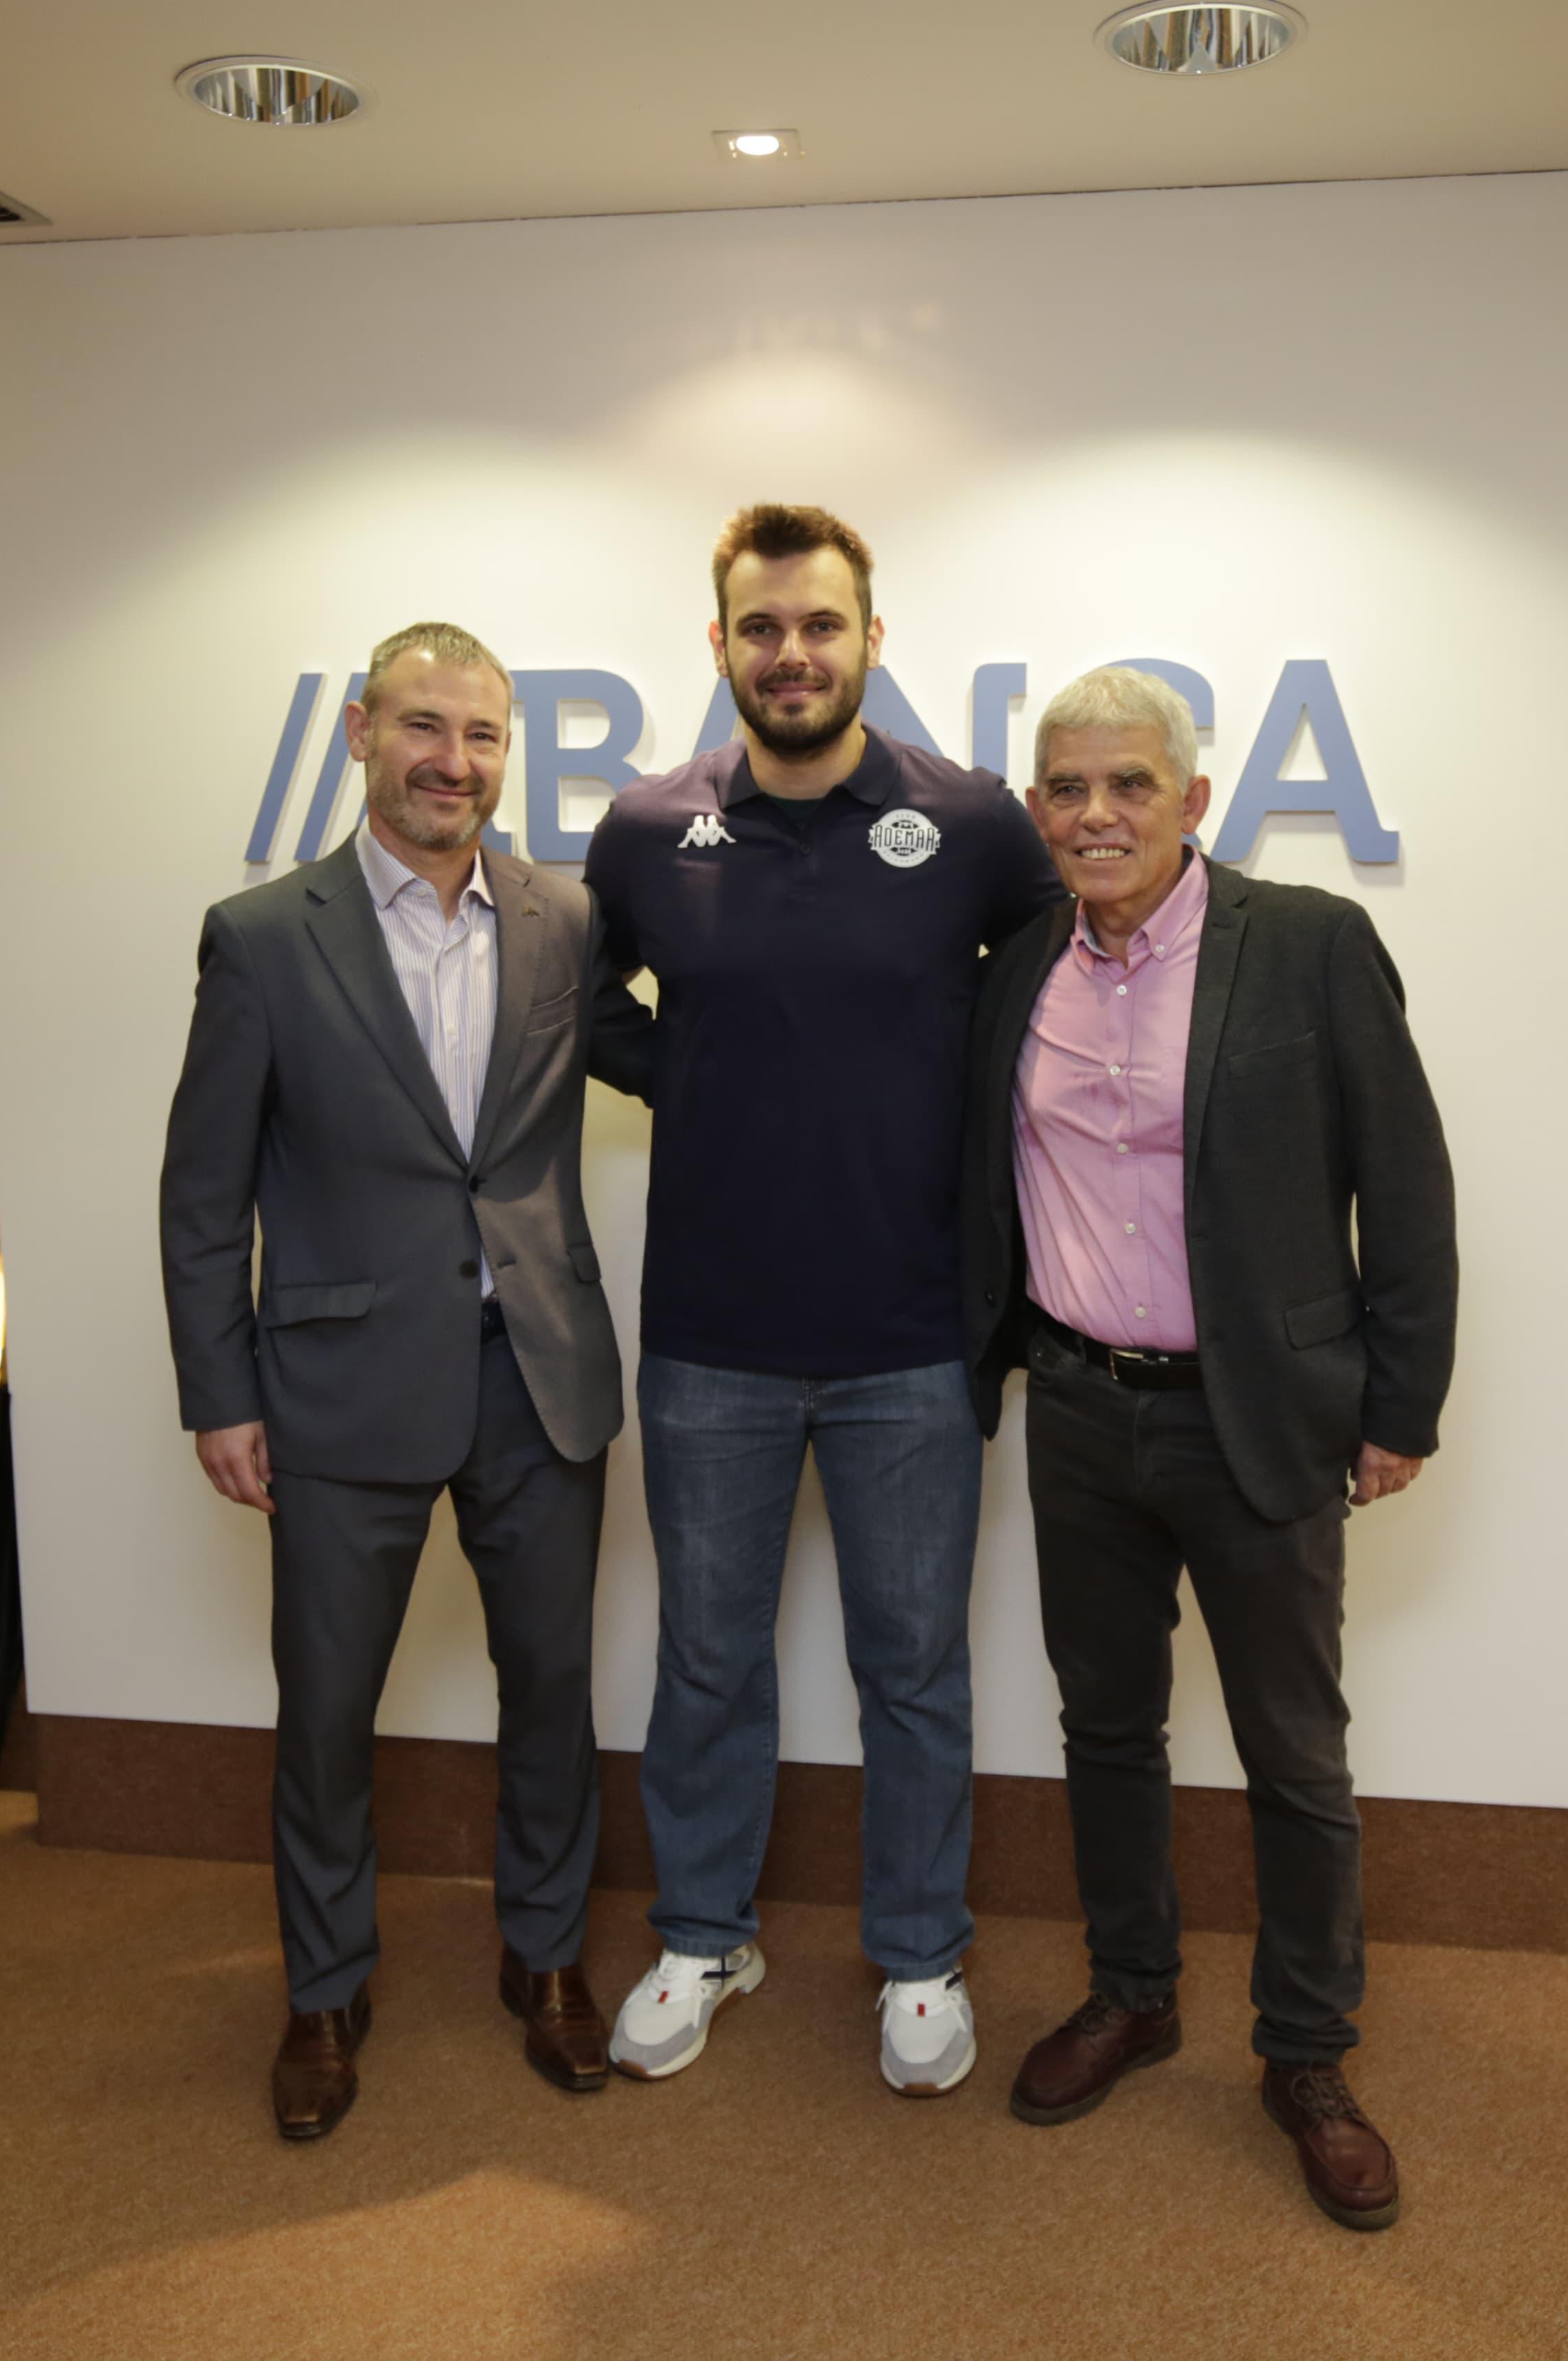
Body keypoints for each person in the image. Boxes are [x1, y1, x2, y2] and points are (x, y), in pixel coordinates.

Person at [959, 665, 1457, 2232]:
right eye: (1065, 787)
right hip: (1081, 1414)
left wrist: (1398, 1406)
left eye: (1126, 785)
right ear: (1036, 809)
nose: (1094, 814)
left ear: (1190, 800)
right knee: (1106, 1728)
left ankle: (1306, 2054)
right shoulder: (1014, 959)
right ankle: (1135, 1991)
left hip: (1258, 1416)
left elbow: (1409, 1185)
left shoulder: (1303, 945)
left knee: (1292, 1754)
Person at [584, 505, 1067, 2093]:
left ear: (872, 637)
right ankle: (706, 1932)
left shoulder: (977, 822)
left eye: (821, 626)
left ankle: (920, 1959)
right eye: (761, 628)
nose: (792, 654)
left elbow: (1044, 1002)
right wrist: (709, 1084)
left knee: (912, 1666)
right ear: (717, 644)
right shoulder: (648, 831)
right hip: (709, 1337)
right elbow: (596, 1014)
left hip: (913, 1340)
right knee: (706, 1660)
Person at [160, 621, 626, 2141]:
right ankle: (323, 1984)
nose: (454, 763)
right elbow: (201, 1192)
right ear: (360, 731)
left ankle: (547, 1957)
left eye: (482, 737)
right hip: (337, 1385)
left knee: (552, 1692)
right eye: (423, 727)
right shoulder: (264, 936)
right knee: (328, 1709)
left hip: (536, 1375)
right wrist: (217, 1392)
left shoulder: (565, 917)